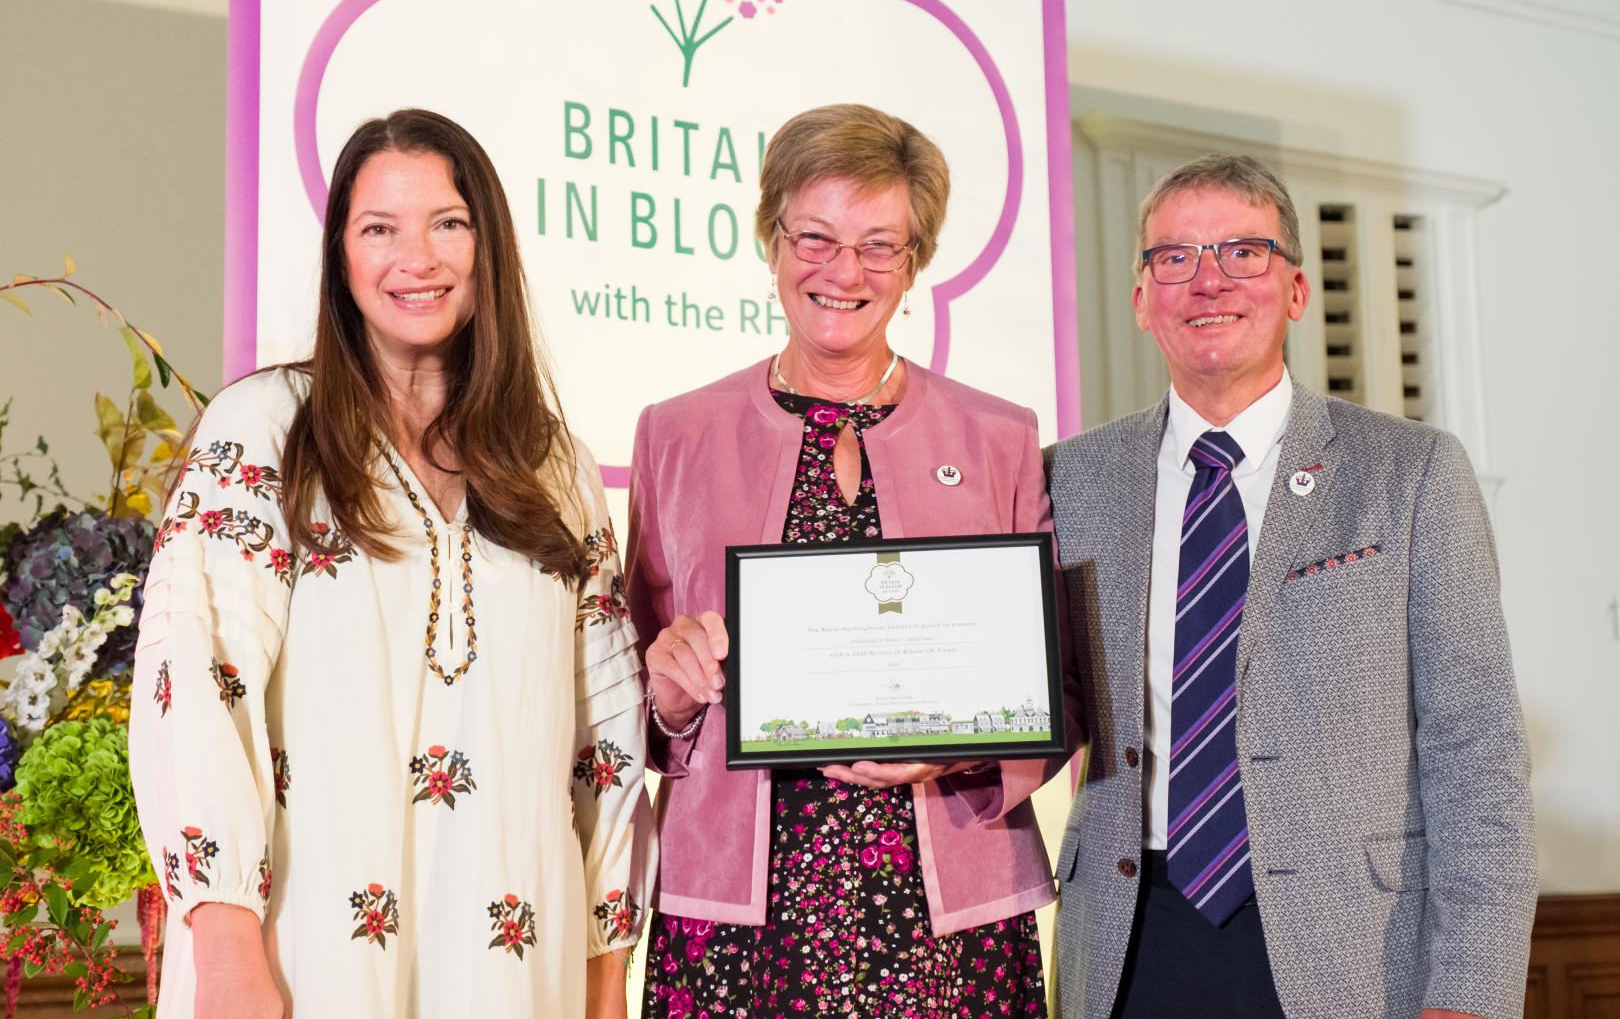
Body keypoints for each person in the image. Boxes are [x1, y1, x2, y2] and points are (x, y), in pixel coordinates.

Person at [129, 109, 654, 1018]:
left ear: (489, 248)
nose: (418, 259)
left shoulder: (552, 465)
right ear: (341, 256)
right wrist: (223, 950)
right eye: (380, 229)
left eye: (448, 224)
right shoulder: (264, 431)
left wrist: (606, 977)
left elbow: (603, 736)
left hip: (519, 968)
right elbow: (195, 681)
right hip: (304, 954)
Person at [1046, 153, 1537, 1019]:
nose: (1208, 281)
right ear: (1141, 301)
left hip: (1350, 947)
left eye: (1244, 252)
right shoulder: (1071, 480)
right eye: (1175, 257)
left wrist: (1472, 992)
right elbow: (1033, 700)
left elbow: (1479, 750)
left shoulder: (1411, 473)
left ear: (1298, 289)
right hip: (1130, 941)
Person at [629, 103, 1061, 1016]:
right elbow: (637, 698)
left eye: (880, 245)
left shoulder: (999, 438)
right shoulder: (676, 435)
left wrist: (957, 752)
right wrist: (666, 697)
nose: (844, 271)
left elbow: (1051, 690)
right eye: (815, 238)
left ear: (914, 264)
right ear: (771, 240)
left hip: (947, 911)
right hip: (740, 913)